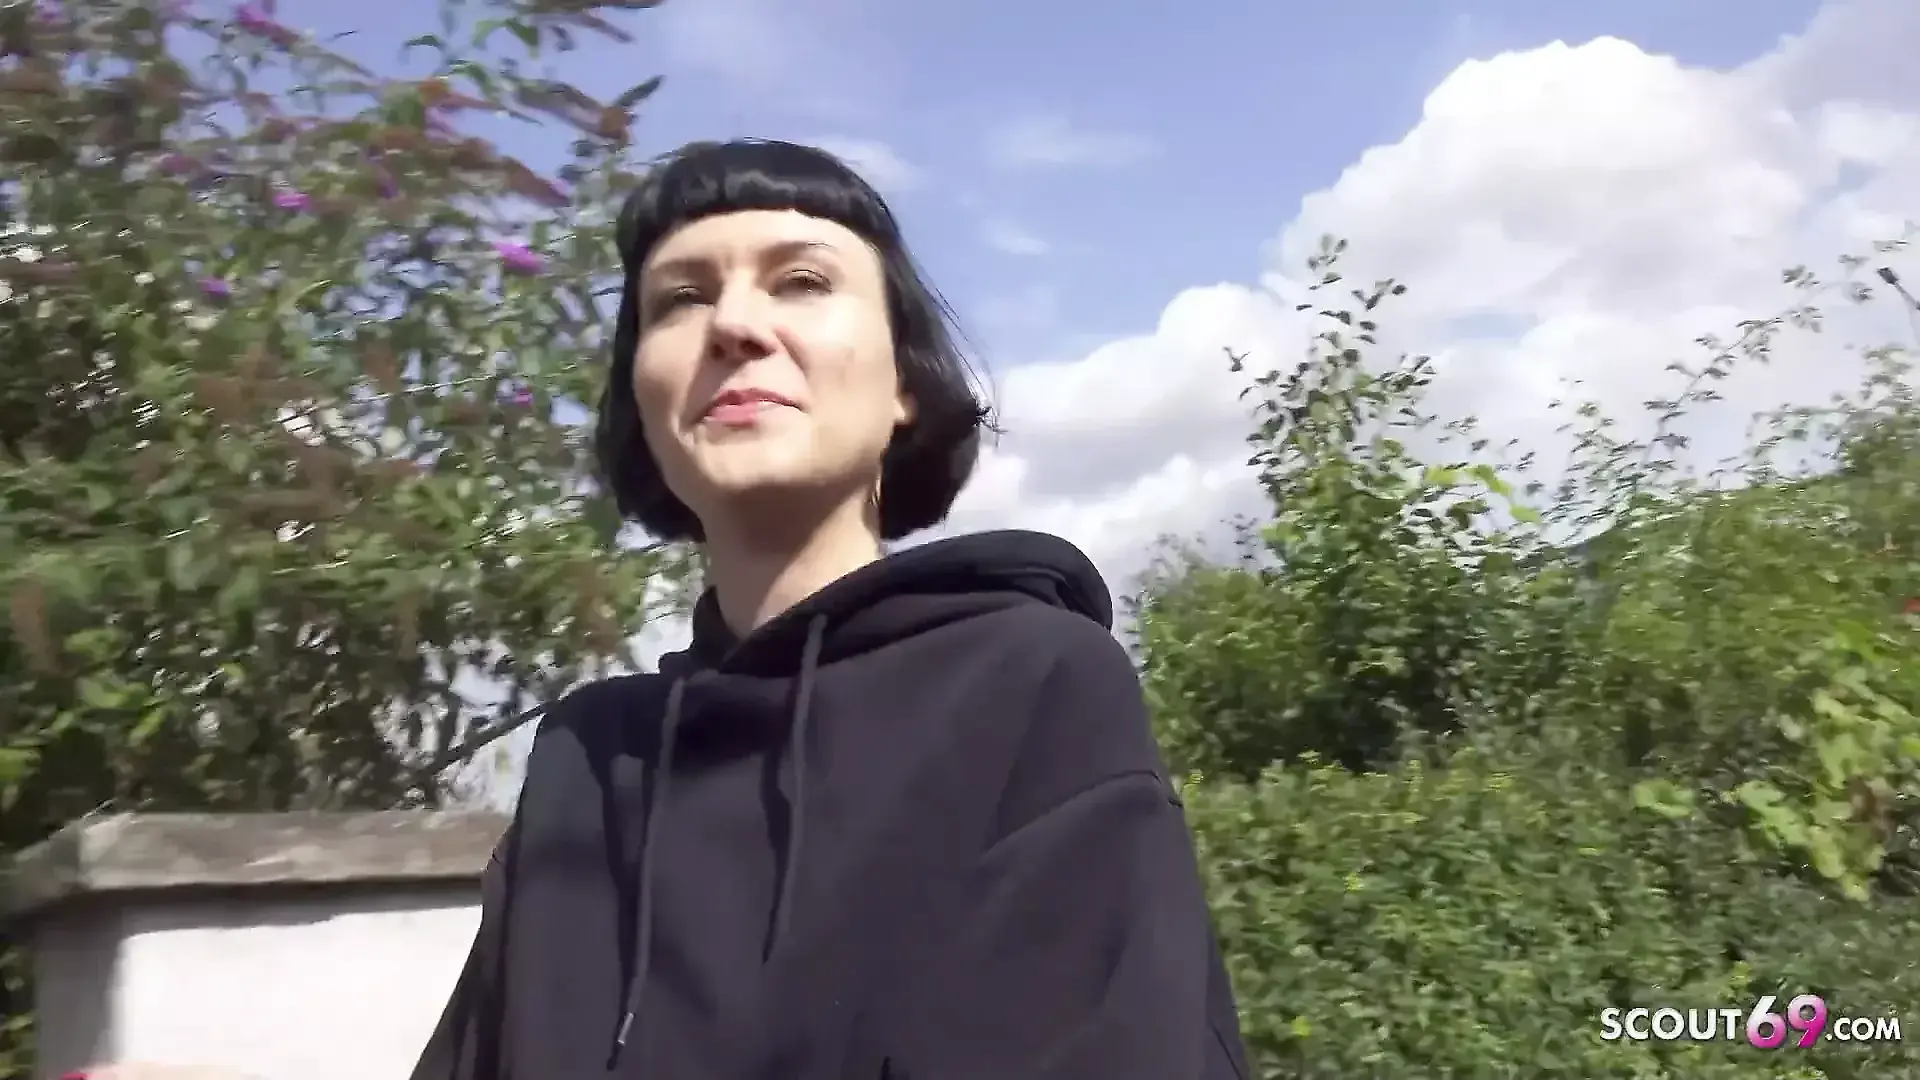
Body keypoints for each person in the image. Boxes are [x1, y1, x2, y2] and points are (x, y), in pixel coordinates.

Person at [77, 138, 1246, 1080]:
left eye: (801, 281)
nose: (734, 325)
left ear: (904, 384)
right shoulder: (592, 756)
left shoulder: (1035, 682)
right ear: (642, 401)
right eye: (679, 299)